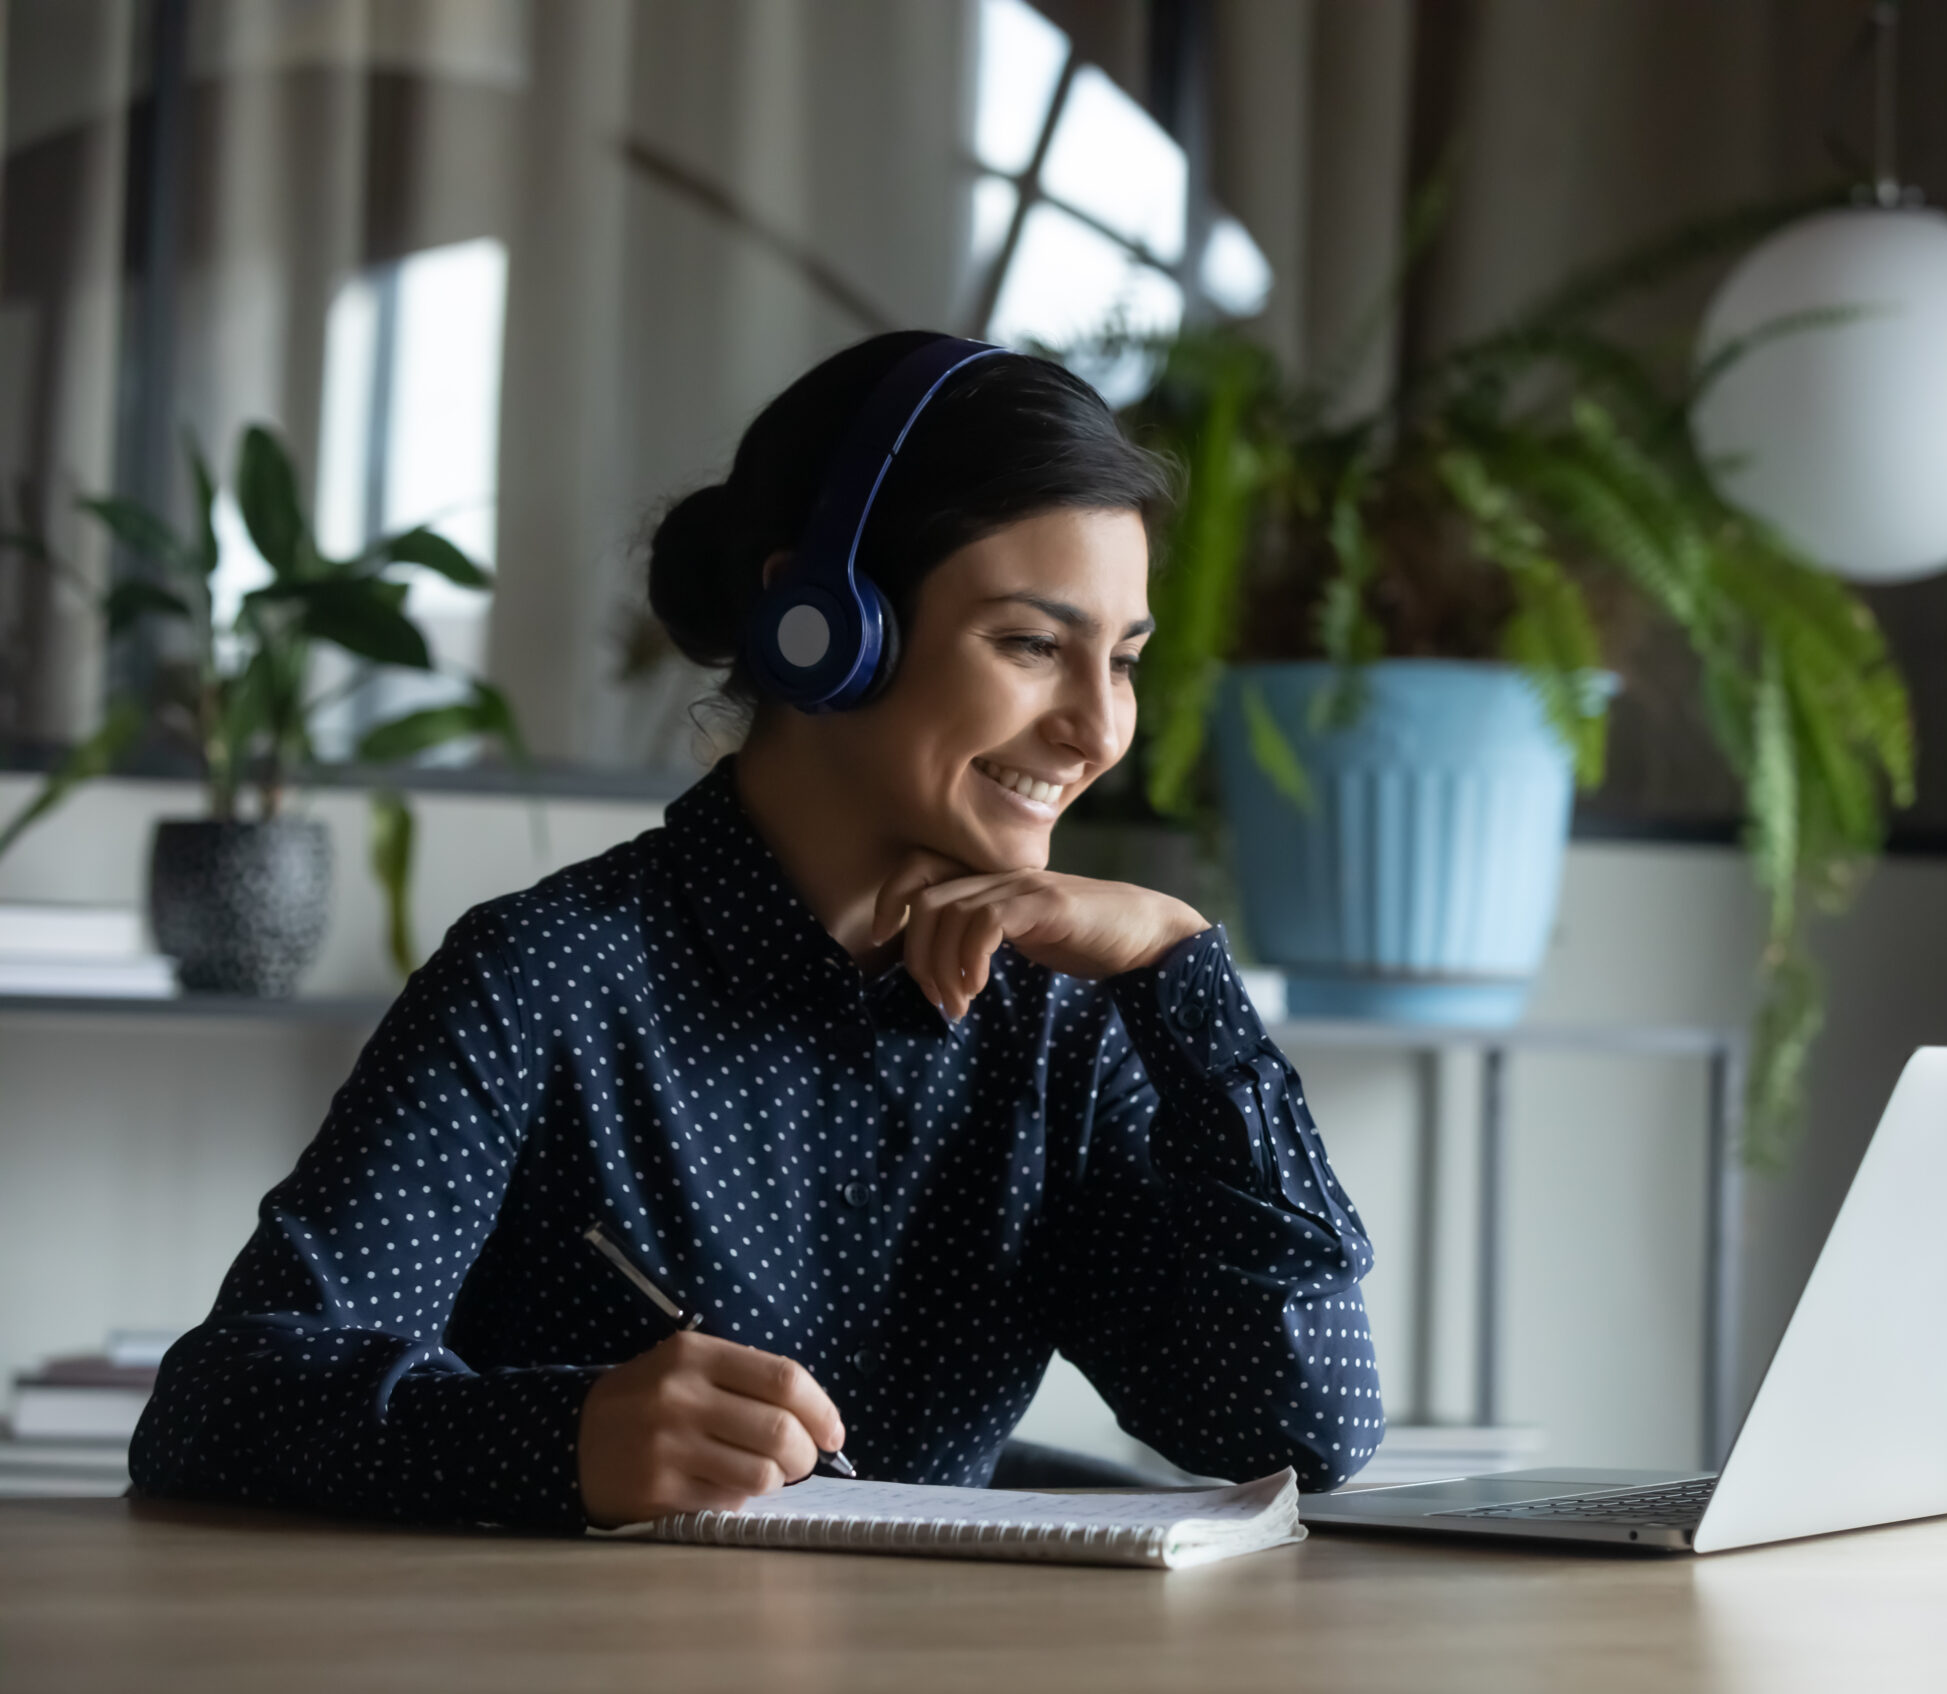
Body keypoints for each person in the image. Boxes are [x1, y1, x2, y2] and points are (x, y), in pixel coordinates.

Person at [129, 333, 1385, 1530]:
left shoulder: (1063, 1018)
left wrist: (1180, 971)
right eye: (1029, 644)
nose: (1098, 729)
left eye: (1122, 661)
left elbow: (1305, 1423)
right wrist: (564, 1440)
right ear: (822, 627)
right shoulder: (546, 977)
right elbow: (218, 1409)